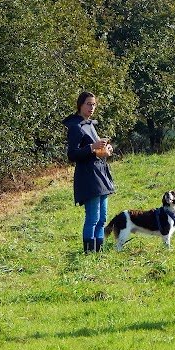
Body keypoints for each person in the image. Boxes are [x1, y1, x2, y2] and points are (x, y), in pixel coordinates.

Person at [62, 91, 116, 253]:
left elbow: (95, 151)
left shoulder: (90, 124)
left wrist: (106, 149)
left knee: (102, 218)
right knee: (93, 218)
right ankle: (88, 253)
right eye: (88, 104)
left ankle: (98, 253)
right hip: (88, 177)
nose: (91, 107)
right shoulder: (75, 127)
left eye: (93, 104)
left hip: (100, 174)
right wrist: (92, 147)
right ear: (80, 105)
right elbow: (72, 154)